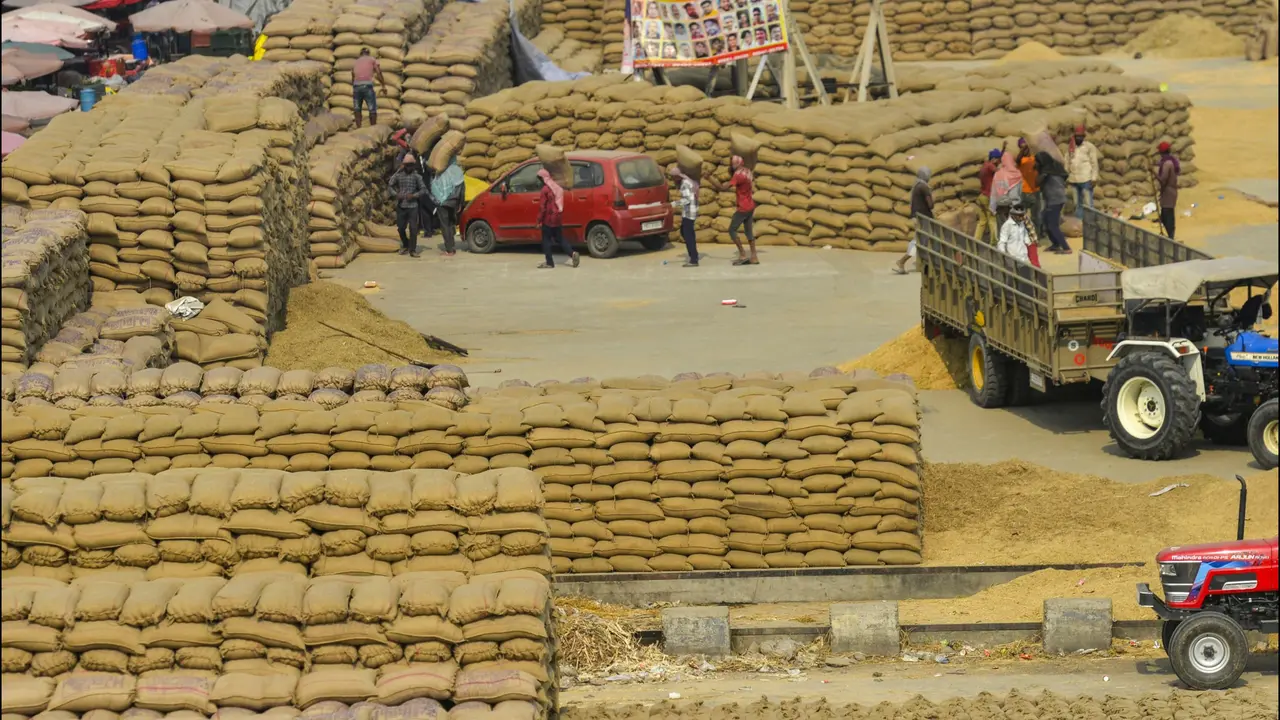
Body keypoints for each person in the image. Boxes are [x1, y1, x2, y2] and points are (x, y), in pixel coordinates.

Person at [709, 155, 758, 265]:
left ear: (736, 164)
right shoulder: (747, 171)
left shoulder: (738, 175)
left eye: (731, 164)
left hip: (743, 208)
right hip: (750, 206)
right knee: (748, 231)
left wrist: (710, 179)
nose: (730, 166)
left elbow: (722, 188)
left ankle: (742, 254)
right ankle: (754, 256)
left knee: (732, 230)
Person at [536, 169, 579, 269]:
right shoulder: (556, 186)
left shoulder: (545, 190)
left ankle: (549, 262)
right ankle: (572, 254)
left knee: (546, 241)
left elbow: (542, 208)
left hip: (548, 219)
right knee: (560, 238)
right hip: (557, 217)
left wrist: (539, 221)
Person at [895, 166, 933, 275]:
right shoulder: (924, 187)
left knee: (922, 241)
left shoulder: (916, 185)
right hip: (923, 218)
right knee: (918, 241)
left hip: (917, 217)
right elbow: (931, 205)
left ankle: (922, 264)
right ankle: (902, 261)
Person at [389, 154, 427, 257]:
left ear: (413, 165)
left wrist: (414, 195)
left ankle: (412, 249)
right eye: (407, 165)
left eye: (411, 165)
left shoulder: (417, 176)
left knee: (413, 229)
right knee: (401, 228)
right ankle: (406, 244)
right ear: (404, 165)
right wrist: (396, 195)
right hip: (401, 206)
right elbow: (390, 185)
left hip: (413, 206)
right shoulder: (399, 175)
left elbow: (423, 190)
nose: (409, 167)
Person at [1035, 151, 1071, 254]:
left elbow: (1036, 183)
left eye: (1037, 162)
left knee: (1052, 225)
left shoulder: (1047, 171)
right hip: (1051, 199)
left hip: (1055, 200)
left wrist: (1039, 173)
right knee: (1045, 221)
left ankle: (1066, 247)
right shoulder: (1055, 168)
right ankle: (1055, 244)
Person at [431, 156, 465, 256]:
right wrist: (460, 204)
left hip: (443, 202)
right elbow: (462, 190)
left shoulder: (440, 172)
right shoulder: (458, 173)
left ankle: (449, 250)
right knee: (451, 223)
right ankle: (452, 245)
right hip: (453, 202)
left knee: (445, 225)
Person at [669, 165, 700, 267]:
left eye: (673, 177)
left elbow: (687, 199)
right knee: (686, 232)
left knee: (688, 235)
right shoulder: (688, 181)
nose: (672, 179)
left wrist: (674, 204)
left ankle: (694, 260)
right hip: (692, 211)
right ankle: (694, 253)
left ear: (678, 176)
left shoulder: (684, 184)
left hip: (689, 213)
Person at [1067, 124, 1099, 220]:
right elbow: (1067, 162)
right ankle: (1080, 223)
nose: (1079, 138)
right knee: (1077, 203)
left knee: (1088, 204)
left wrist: (1094, 178)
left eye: (1081, 136)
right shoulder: (1071, 147)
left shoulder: (1089, 147)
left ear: (1084, 137)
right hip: (1073, 179)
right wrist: (1067, 176)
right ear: (1074, 136)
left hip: (1086, 179)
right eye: (1077, 136)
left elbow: (1094, 163)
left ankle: (1091, 223)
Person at [996, 203, 1040, 268]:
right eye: (1019, 215)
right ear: (1013, 215)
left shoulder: (1022, 223)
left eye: (1022, 215)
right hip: (1013, 259)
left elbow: (1026, 235)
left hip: (1024, 257)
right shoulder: (1007, 225)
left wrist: (1030, 243)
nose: (1022, 217)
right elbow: (1002, 242)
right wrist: (1003, 254)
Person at [990, 146, 1023, 229]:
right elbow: (1018, 192)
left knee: (1002, 227)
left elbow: (994, 191)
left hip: (1000, 204)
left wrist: (992, 207)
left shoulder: (998, 173)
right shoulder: (1017, 174)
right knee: (1014, 228)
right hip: (1012, 205)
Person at [352, 48, 384, 128]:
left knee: (357, 109)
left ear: (361, 54)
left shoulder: (356, 61)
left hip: (356, 86)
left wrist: (354, 86)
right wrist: (383, 85)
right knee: (372, 109)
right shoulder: (372, 59)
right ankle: (373, 128)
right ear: (368, 53)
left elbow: (352, 74)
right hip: (367, 86)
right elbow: (378, 72)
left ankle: (358, 128)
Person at [1016, 138, 1042, 237]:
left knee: (1035, 216)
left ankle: (1035, 235)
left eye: (1026, 147)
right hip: (1026, 192)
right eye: (1023, 147)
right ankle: (1025, 235)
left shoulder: (1033, 158)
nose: (1026, 149)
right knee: (1024, 215)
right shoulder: (1021, 160)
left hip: (1034, 191)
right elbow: (1018, 160)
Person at [975, 148, 1000, 244]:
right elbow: (998, 172)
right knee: (992, 220)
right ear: (994, 159)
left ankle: (976, 240)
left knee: (982, 221)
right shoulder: (990, 166)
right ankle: (994, 242)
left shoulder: (984, 166)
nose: (999, 161)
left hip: (981, 196)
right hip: (989, 196)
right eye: (998, 159)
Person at [1156, 141, 1180, 238]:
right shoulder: (1171, 162)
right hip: (1170, 192)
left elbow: (1163, 179)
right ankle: (1170, 236)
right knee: (1166, 214)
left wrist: (1154, 175)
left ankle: (1171, 237)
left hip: (1168, 193)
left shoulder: (1167, 164)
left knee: (1167, 216)